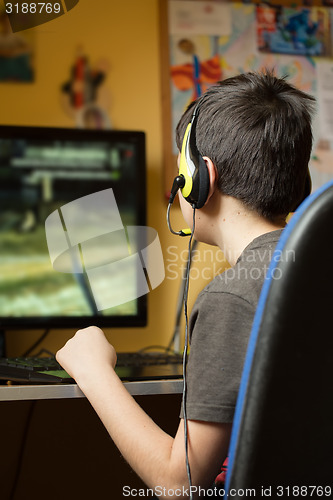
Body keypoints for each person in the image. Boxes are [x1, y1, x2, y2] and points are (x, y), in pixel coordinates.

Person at [56, 70, 315, 498]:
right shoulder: (313, 267)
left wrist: (92, 369)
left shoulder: (233, 295)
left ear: (200, 179)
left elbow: (179, 483)